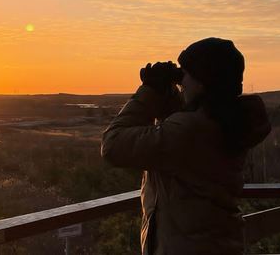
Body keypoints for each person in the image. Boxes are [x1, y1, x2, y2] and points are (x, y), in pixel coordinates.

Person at [101, 37, 271, 255]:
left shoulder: (191, 130)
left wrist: (149, 92)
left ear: (202, 81)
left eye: (186, 75)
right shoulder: (225, 122)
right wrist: (169, 93)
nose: (182, 83)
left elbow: (113, 145)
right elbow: (177, 135)